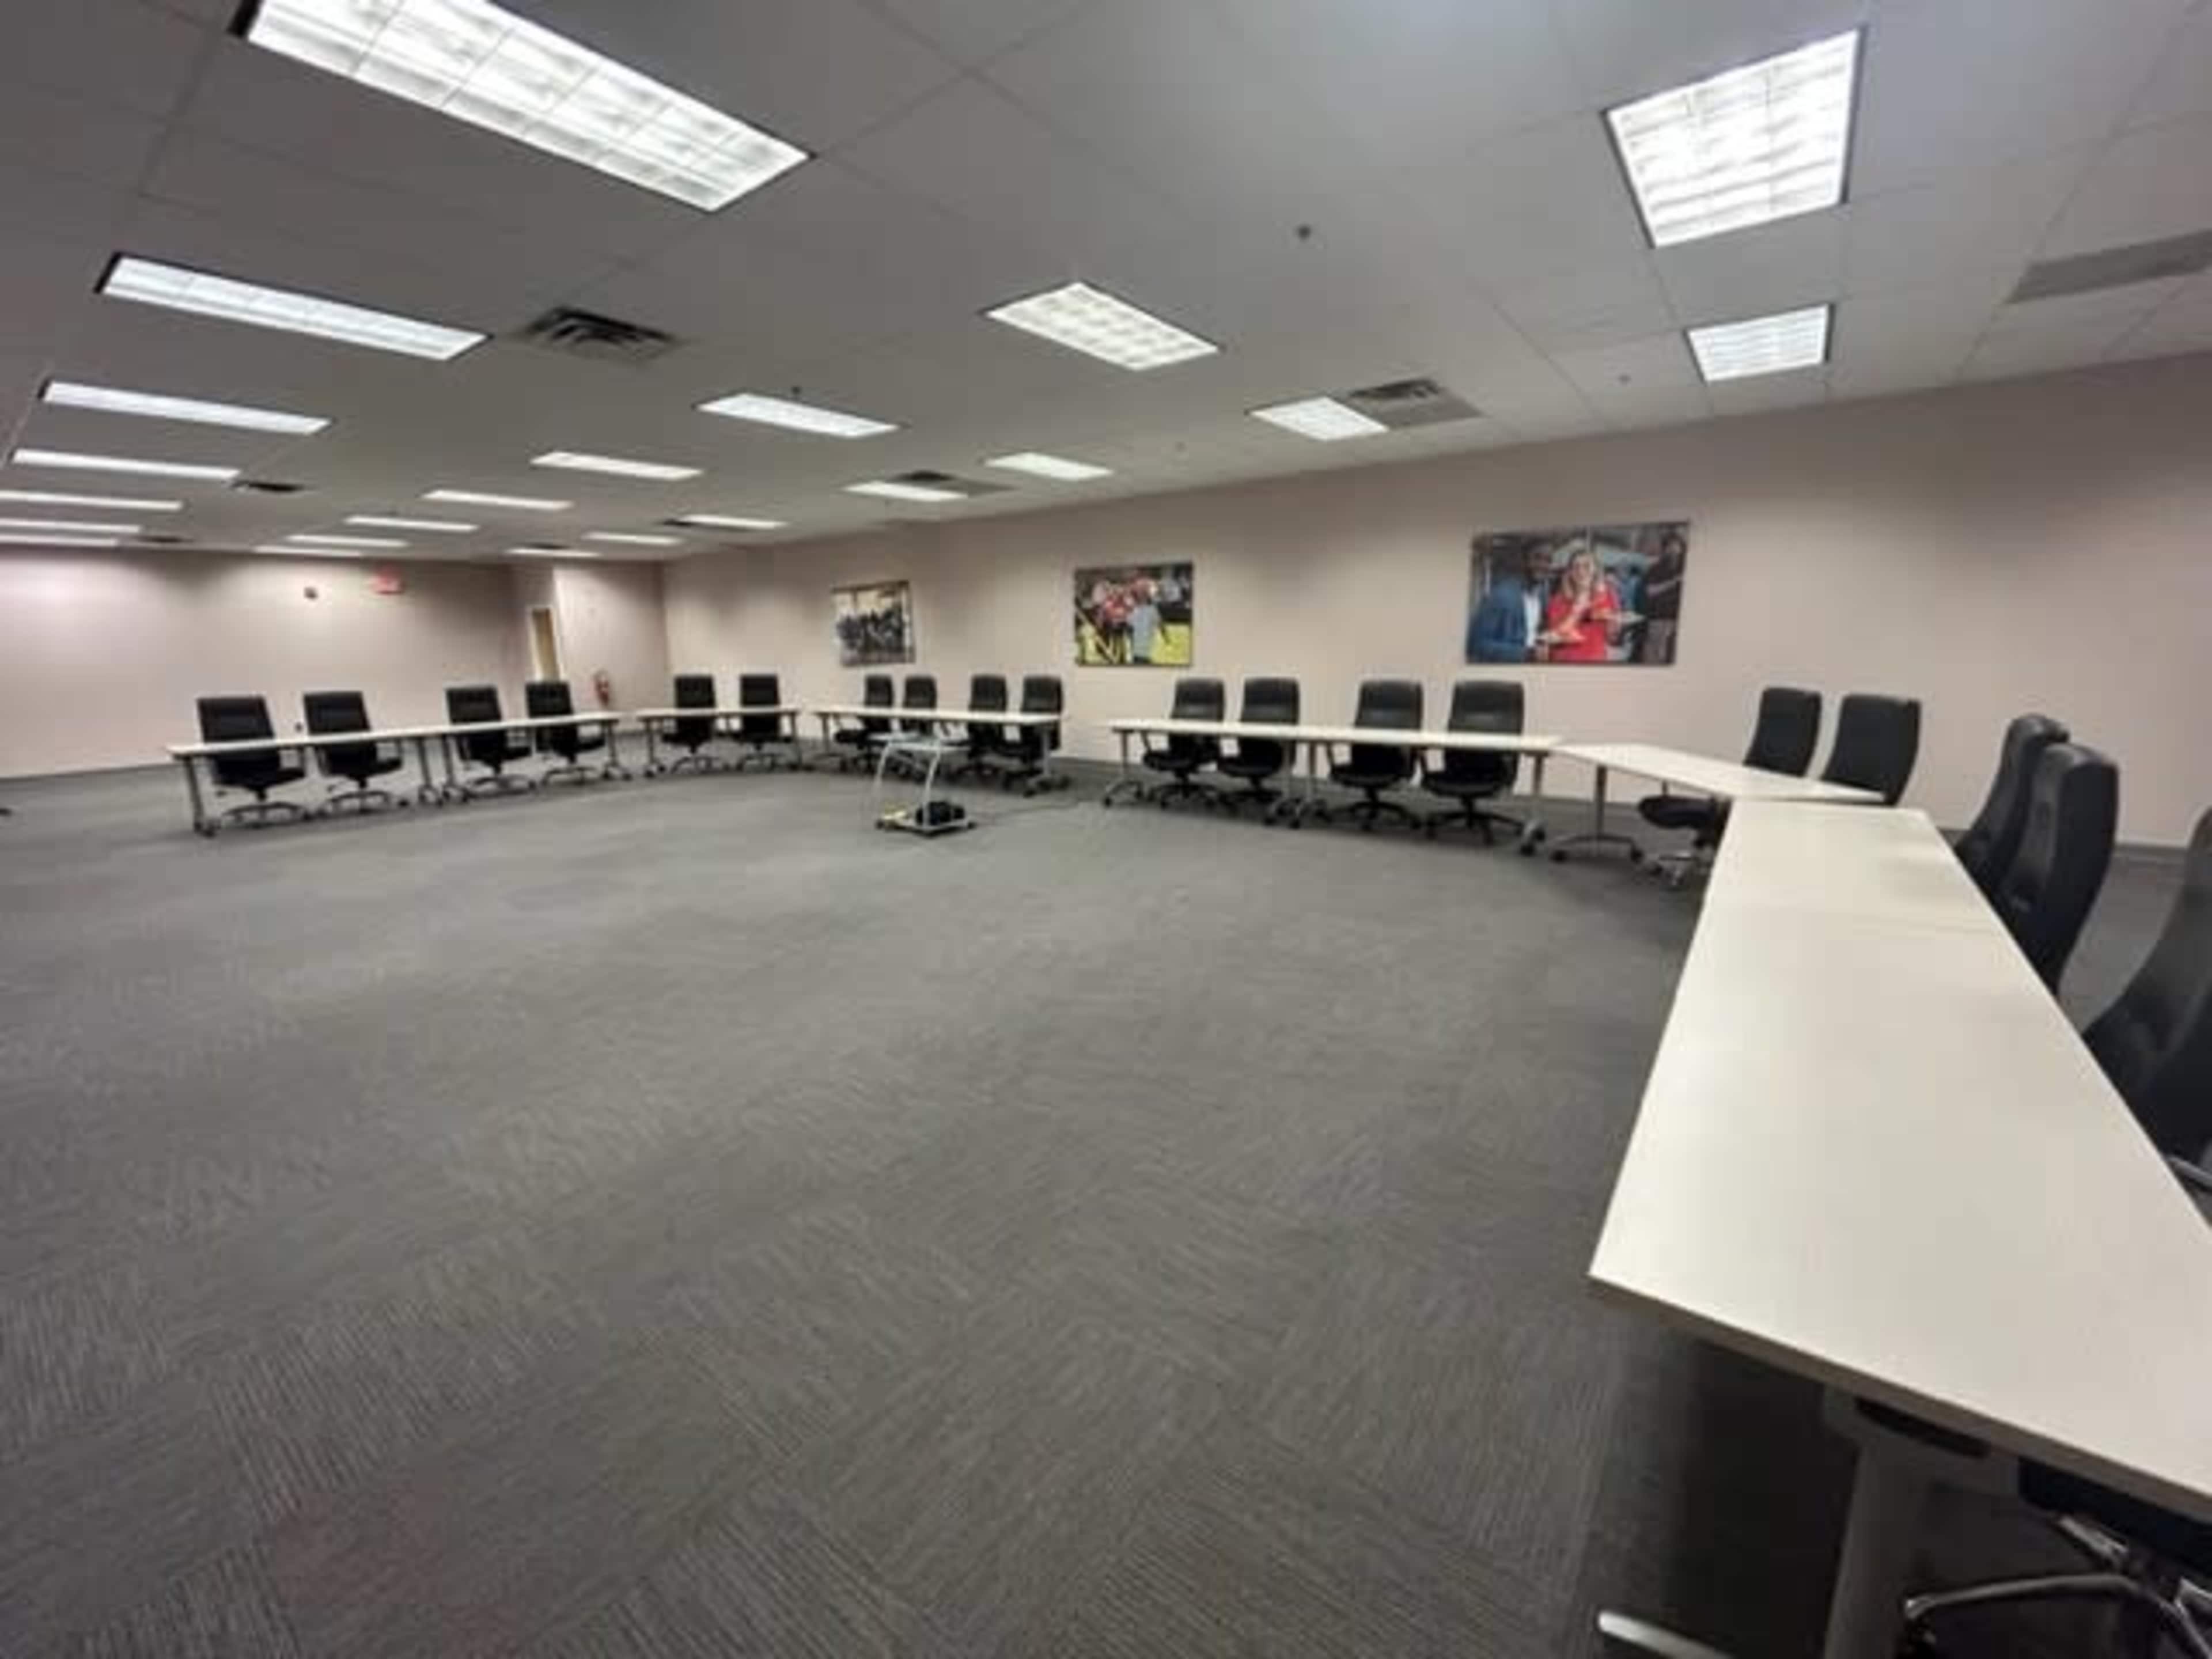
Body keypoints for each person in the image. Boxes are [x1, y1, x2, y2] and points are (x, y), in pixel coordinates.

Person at [1467, 539, 1550, 662]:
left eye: (1548, 560)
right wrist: (1526, 654)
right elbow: (1477, 645)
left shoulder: (1542, 597)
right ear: (1524, 561)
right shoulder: (1500, 596)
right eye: (1537, 558)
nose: (1543, 565)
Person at [1540, 540, 1623, 664]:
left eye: (1587, 566)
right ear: (1570, 572)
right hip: (1565, 662)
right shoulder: (1558, 600)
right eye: (1576, 566)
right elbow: (1556, 637)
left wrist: (1615, 624)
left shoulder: (1608, 595)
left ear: (1595, 570)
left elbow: (1611, 637)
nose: (1581, 571)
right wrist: (1577, 610)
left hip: (1595, 661)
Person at [1639, 529, 1685, 665]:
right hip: (1659, 621)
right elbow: (1650, 591)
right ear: (1665, 548)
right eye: (1670, 546)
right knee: (1655, 660)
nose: (1674, 550)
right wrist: (1674, 582)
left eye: (1677, 546)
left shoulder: (1686, 567)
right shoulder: (1656, 568)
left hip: (1679, 621)